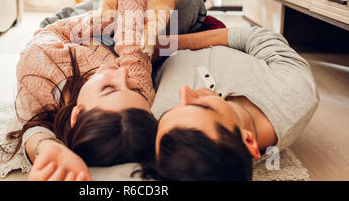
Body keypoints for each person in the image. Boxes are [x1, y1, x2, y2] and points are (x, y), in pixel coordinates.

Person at [5, 0, 210, 181]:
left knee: (139, 6)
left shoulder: (40, 67)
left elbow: (32, 126)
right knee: (188, 1)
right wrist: (128, 24)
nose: (122, 74)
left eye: (108, 87)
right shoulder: (141, 93)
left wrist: (48, 146)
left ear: (76, 115)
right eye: (134, 88)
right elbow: (134, 41)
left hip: (67, 31)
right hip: (122, 36)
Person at [136, 26, 319, 181]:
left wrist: (159, 50)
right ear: (248, 140)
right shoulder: (294, 91)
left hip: (164, 40)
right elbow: (258, 36)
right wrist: (168, 44)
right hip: (201, 29)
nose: (185, 91)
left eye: (171, 110)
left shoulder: (162, 131)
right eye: (203, 106)